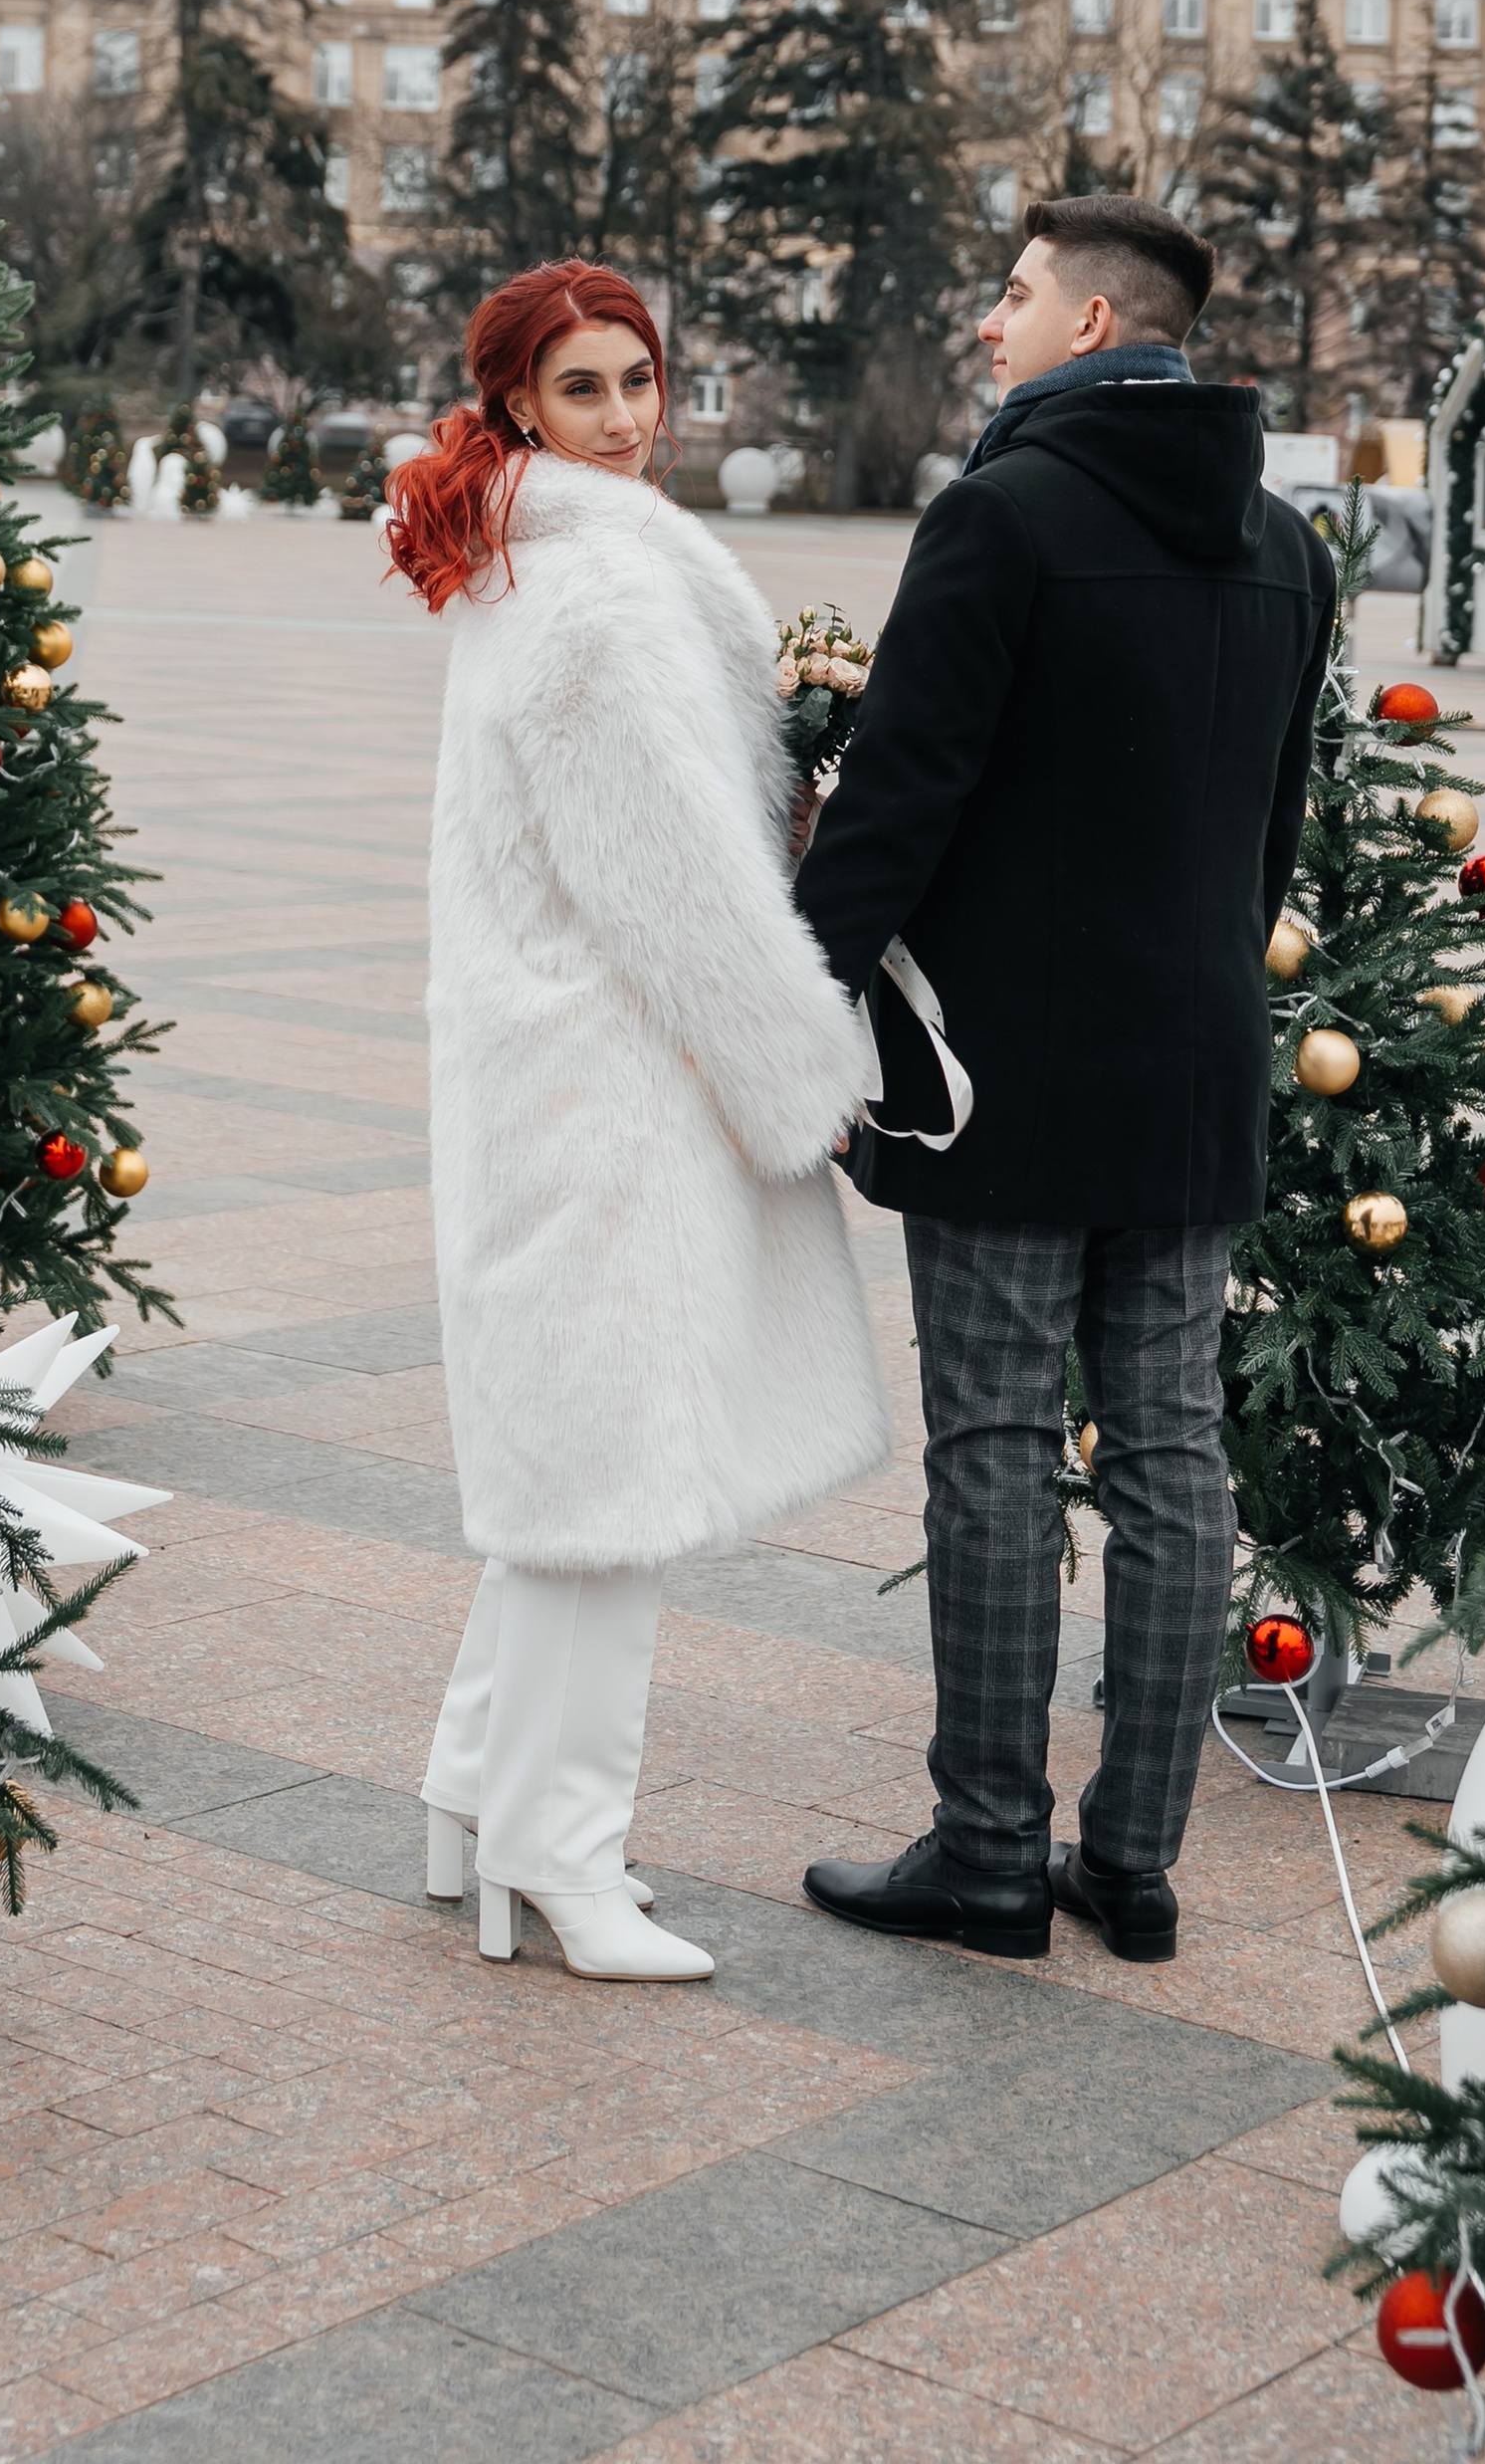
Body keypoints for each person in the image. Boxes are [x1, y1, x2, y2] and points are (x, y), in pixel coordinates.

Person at [794, 194, 1335, 1964]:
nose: (989, 322)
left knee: (1002, 1451)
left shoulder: (1000, 517)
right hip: (1193, 1075)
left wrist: (796, 1001)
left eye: (1015, 297)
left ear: (1096, 327)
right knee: (1176, 1456)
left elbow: (899, 797)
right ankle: (1137, 1861)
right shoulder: (1283, 543)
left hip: (999, 1077)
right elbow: (1271, 834)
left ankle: (987, 1849)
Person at [389, 259, 887, 1983]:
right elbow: (676, 889)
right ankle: (561, 1854)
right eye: (584, 388)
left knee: (562, 1474)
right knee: (606, 1491)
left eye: (639, 381)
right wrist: (802, 1074)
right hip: (614, 1087)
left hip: (566, 1071)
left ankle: (473, 1802)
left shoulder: (540, 559)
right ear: (520, 403)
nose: (624, 415)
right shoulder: (596, 597)